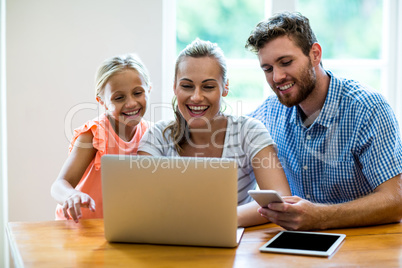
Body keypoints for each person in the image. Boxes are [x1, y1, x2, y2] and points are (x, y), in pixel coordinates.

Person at [245, 11, 402, 230]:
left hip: (363, 246)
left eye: (286, 62)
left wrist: (321, 217)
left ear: (315, 54)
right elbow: (229, 136)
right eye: (268, 69)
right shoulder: (269, 111)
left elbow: (396, 201)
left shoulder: (367, 108)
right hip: (298, 247)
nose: (277, 77)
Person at [137, 38, 291, 227]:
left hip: (232, 244)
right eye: (187, 86)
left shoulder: (249, 132)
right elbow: (141, 204)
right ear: (175, 87)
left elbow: (279, 200)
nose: (196, 97)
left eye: (208, 87)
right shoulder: (157, 137)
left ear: (225, 87)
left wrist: (217, 220)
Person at [51, 54, 151, 223]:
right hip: (78, 226)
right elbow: (59, 185)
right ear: (102, 101)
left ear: (148, 90)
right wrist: (71, 195)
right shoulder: (94, 134)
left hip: (115, 227)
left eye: (138, 93)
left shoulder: (151, 134)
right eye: (119, 98)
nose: (131, 103)